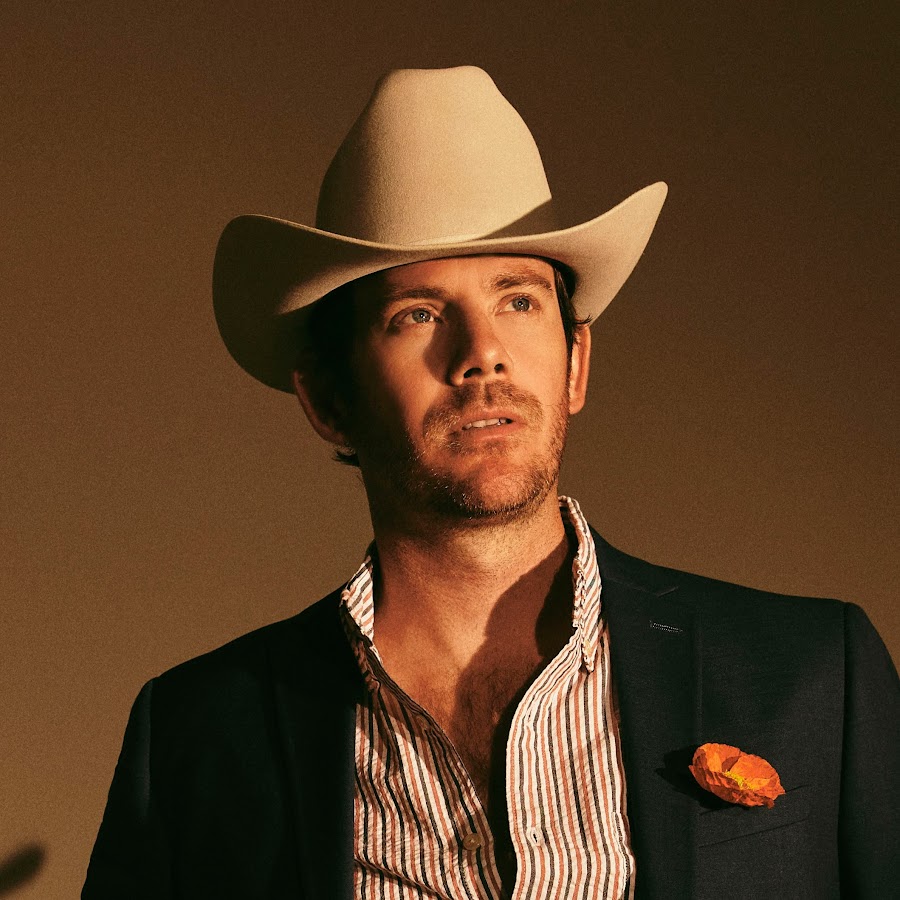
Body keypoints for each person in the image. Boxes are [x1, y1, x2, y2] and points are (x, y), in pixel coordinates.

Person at [83, 67, 899, 900]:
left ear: (576, 362)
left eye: (519, 301)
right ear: (329, 401)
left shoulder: (813, 678)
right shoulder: (197, 740)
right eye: (418, 314)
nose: (482, 353)